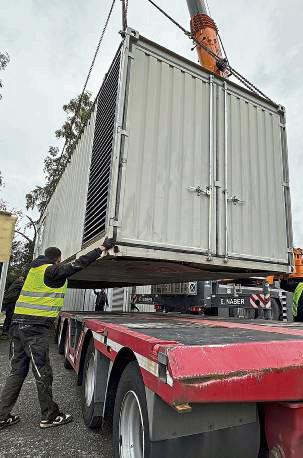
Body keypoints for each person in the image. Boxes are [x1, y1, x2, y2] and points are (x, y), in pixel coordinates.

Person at [0, 238, 115, 431]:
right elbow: (76, 265)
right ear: (57, 259)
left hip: (18, 326)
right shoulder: (50, 270)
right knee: (42, 372)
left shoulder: (33, 271)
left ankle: (1, 416)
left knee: (17, 372)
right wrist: (101, 249)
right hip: (34, 329)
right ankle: (50, 415)